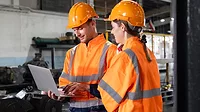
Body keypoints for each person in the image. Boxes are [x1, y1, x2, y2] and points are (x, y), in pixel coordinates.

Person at [48, 2, 117, 112]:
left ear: (93, 24)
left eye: (80, 28)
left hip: (100, 109)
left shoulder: (111, 50)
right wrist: (59, 95)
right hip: (74, 108)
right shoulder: (71, 53)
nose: (77, 34)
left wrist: (86, 87)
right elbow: (65, 84)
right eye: (74, 30)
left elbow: (115, 90)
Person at [98, 1, 163, 112]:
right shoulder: (147, 52)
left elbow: (107, 94)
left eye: (113, 27)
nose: (112, 32)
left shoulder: (126, 56)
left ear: (122, 27)